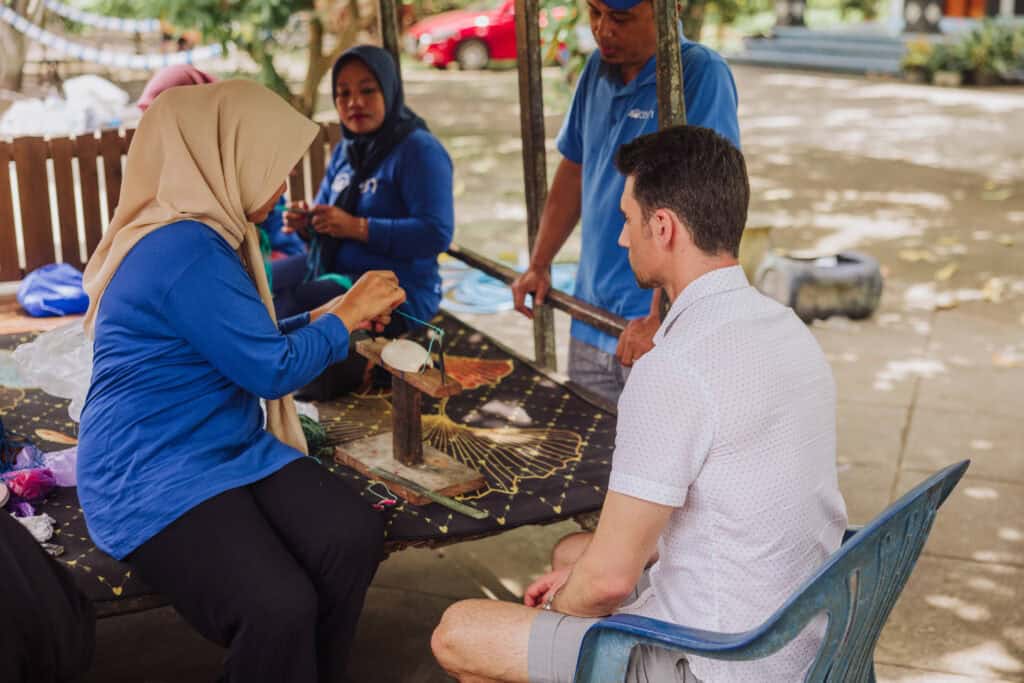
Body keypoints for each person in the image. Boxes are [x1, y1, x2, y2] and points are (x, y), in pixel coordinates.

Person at [431, 126, 848, 683]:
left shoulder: (674, 367)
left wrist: (554, 621)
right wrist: (580, 584)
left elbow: (607, 582)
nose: (623, 239)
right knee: (571, 554)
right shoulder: (785, 327)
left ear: (663, 227)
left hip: (721, 662)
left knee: (461, 633)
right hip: (797, 629)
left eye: (627, 220)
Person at [78, 80, 404, 683]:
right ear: (224, 159)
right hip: (149, 466)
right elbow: (270, 367)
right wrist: (345, 316)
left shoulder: (204, 235)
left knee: (349, 536)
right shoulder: (186, 250)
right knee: (276, 605)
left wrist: (321, 319)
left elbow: (238, 337)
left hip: (220, 443)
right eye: (273, 168)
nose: (282, 187)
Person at [510, 0, 740, 404]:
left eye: (620, 18)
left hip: (654, 327)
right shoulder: (595, 71)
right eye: (594, 13)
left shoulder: (702, 75)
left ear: (670, 9)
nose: (603, 30)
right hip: (590, 315)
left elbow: (704, 207)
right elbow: (575, 169)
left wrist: (661, 317)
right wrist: (539, 263)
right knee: (588, 454)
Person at [272, 45, 454, 396]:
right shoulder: (347, 149)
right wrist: (309, 224)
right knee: (264, 285)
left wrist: (357, 227)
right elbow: (330, 220)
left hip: (399, 288)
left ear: (389, 89)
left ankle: (310, 380)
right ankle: (289, 376)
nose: (354, 102)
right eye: (343, 93)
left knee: (297, 306)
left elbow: (436, 233)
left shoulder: (418, 149)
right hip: (337, 270)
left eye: (367, 90)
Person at [136, 65, 307, 259]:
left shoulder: (239, 161)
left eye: (167, 120)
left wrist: (250, 239)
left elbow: (287, 247)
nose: (158, 135)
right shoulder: (162, 179)